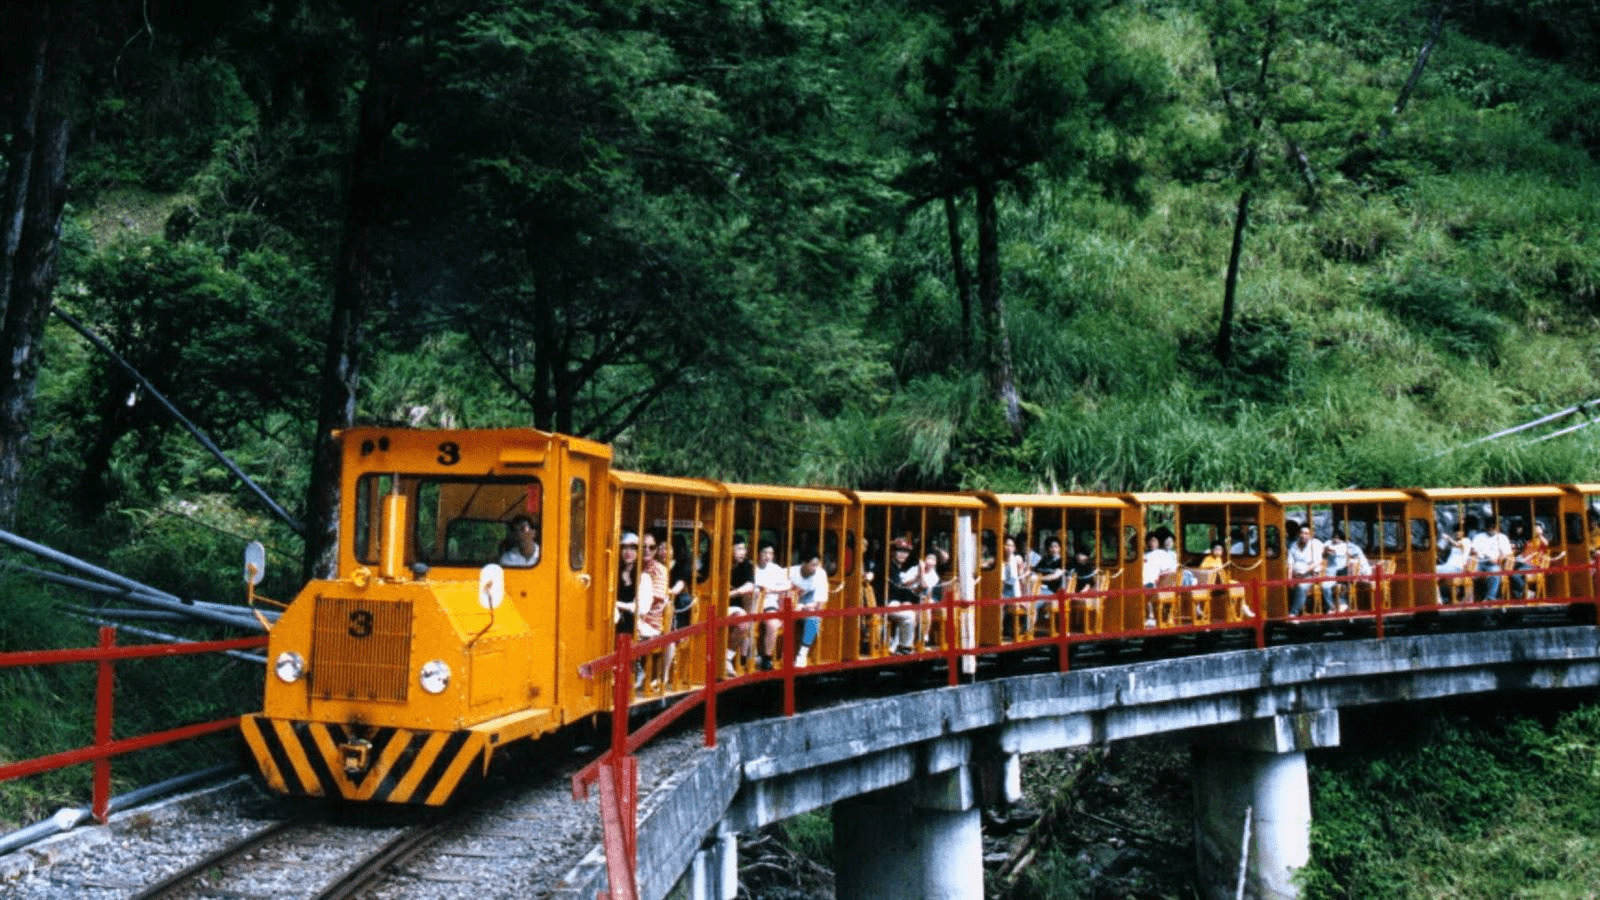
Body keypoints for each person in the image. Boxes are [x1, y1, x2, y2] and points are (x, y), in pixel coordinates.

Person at [788, 548, 830, 666]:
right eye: (812, 565)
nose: (815, 568)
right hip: (789, 604)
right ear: (803, 563)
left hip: (809, 605)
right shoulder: (790, 572)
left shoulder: (821, 574)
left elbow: (819, 602)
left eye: (817, 565)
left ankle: (802, 655)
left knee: (814, 619)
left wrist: (803, 606)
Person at [754, 542, 792, 670]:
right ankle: (749, 657)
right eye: (764, 552)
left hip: (768, 603)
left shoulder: (776, 569)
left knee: (773, 624)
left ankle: (767, 657)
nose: (768, 556)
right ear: (758, 553)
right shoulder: (752, 568)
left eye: (770, 553)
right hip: (753, 603)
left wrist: (771, 589)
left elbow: (787, 586)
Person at [726, 536, 757, 677]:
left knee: (743, 624)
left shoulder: (746, 566)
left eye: (743, 549)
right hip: (712, 605)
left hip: (734, 607)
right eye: (738, 548)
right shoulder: (717, 561)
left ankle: (727, 658)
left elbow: (750, 585)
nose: (742, 552)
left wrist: (732, 593)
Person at [885, 538, 921, 654]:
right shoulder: (887, 567)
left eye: (906, 552)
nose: (903, 554)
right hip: (886, 603)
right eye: (899, 550)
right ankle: (904, 647)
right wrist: (908, 599)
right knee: (908, 616)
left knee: (913, 610)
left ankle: (895, 647)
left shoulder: (898, 567)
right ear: (892, 552)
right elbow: (896, 588)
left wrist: (909, 600)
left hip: (894, 601)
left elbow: (901, 589)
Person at [1287, 526, 1330, 616]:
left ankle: (1293, 613)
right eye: (1302, 533)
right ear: (1299, 534)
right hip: (1295, 575)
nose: (1304, 535)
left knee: (1302, 587)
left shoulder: (1314, 546)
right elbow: (1290, 563)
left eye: (1306, 534)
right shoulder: (1293, 546)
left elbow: (1318, 561)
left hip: (1309, 574)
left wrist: (1305, 571)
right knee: (1284, 586)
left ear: (1310, 535)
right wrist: (1289, 578)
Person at [1470, 518, 1513, 602]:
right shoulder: (1479, 536)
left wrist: (1500, 557)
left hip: (1494, 563)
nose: (1491, 528)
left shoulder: (1502, 537)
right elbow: (1472, 550)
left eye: (1494, 526)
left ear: (1498, 527)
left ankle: (1490, 598)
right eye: (1490, 526)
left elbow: (1508, 553)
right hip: (1480, 562)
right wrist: (1476, 553)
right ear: (1486, 527)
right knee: (1469, 572)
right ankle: (1469, 599)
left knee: (1495, 571)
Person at [1512, 522, 1551, 599]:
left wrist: (1540, 534)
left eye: (1537, 528)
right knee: (1513, 574)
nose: (1535, 530)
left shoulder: (1542, 541)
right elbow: (1524, 554)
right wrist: (1517, 558)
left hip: (1535, 566)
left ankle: (1524, 593)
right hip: (1525, 565)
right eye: (1534, 529)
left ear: (1541, 530)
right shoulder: (1529, 542)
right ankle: (1524, 593)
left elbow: (1547, 545)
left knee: (1517, 572)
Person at [1436, 527, 1471, 602]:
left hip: (1457, 568)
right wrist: (1442, 541)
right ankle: (1438, 600)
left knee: (1434, 570)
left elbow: (1458, 545)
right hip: (1448, 566)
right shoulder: (1454, 542)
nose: (1457, 533)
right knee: (1433, 573)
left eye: (1459, 531)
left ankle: (1439, 600)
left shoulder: (1466, 541)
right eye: (1456, 532)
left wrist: (1449, 538)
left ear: (1463, 532)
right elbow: (1439, 548)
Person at [1323, 528, 1351, 613]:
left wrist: (1331, 550)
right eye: (1334, 537)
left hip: (1340, 574)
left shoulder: (1344, 546)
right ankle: (1331, 606)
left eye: (1338, 538)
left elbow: (1338, 551)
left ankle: (1342, 603)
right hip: (1329, 574)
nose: (1336, 539)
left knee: (1340, 586)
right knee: (1325, 587)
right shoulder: (1328, 543)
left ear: (1341, 538)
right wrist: (1326, 552)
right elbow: (1324, 552)